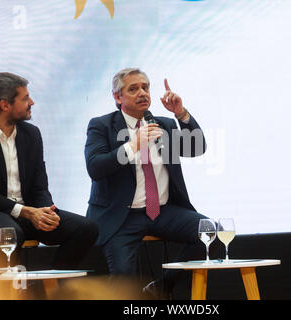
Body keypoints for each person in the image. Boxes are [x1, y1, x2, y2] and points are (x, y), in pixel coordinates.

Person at [84, 68, 214, 297]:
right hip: (122, 216)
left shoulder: (163, 125)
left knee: (209, 232)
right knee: (124, 277)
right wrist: (133, 145)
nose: (142, 92)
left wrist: (181, 114)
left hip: (163, 211)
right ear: (117, 97)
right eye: (133, 89)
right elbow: (95, 167)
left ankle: (160, 288)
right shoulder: (102, 126)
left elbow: (197, 148)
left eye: (145, 87)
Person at [0, 72, 98, 270]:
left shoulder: (31, 133)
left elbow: (40, 184)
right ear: (5, 105)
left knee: (86, 229)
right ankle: (9, 293)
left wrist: (46, 211)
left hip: (27, 213)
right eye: (25, 98)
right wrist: (26, 212)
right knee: (10, 233)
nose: (32, 102)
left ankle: (54, 285)